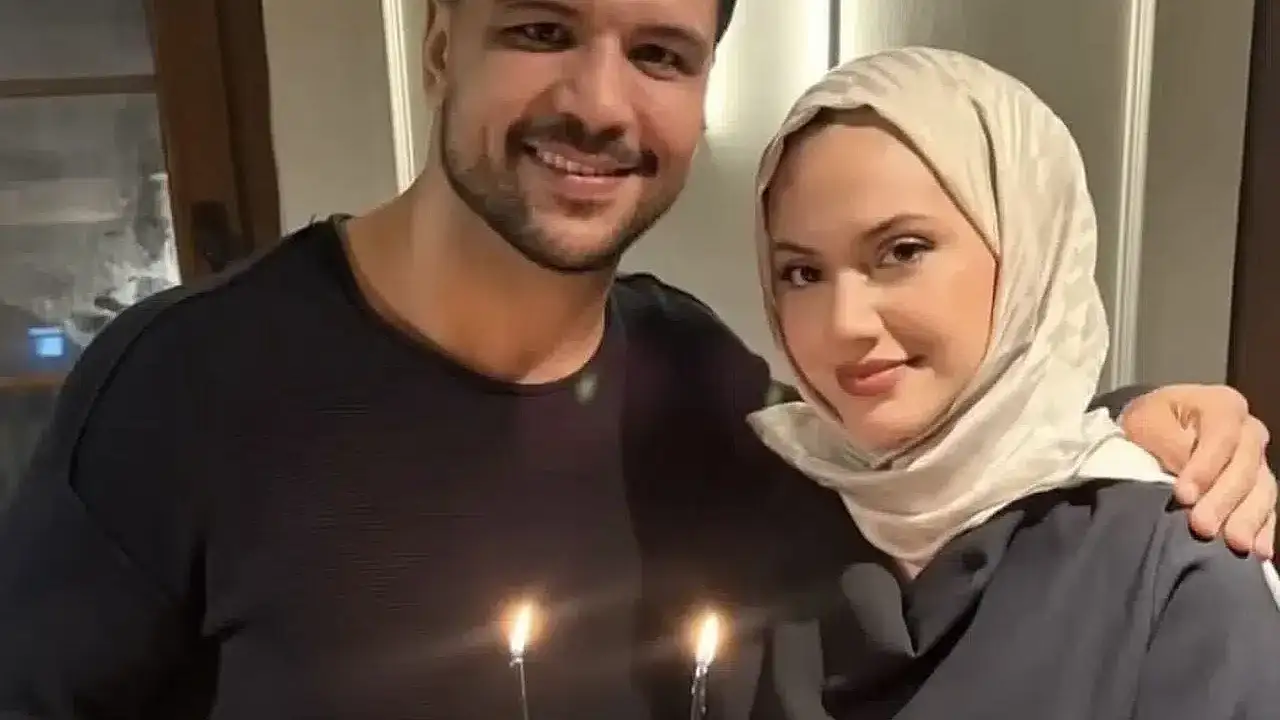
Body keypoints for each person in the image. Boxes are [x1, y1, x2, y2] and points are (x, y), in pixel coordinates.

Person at [0, 2, 1273, 718]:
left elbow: (930, 468)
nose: (599, 104)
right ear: (439, 40)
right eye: (540, 28)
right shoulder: (175, 392)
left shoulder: (702, 386)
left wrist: (1127, 426)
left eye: (658, 52)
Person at [730, 47, 1280, 720]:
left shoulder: (1171, 566)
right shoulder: (765, 521)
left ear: (1026, 250)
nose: (845, 324)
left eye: (902, 251)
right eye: (802, 273)